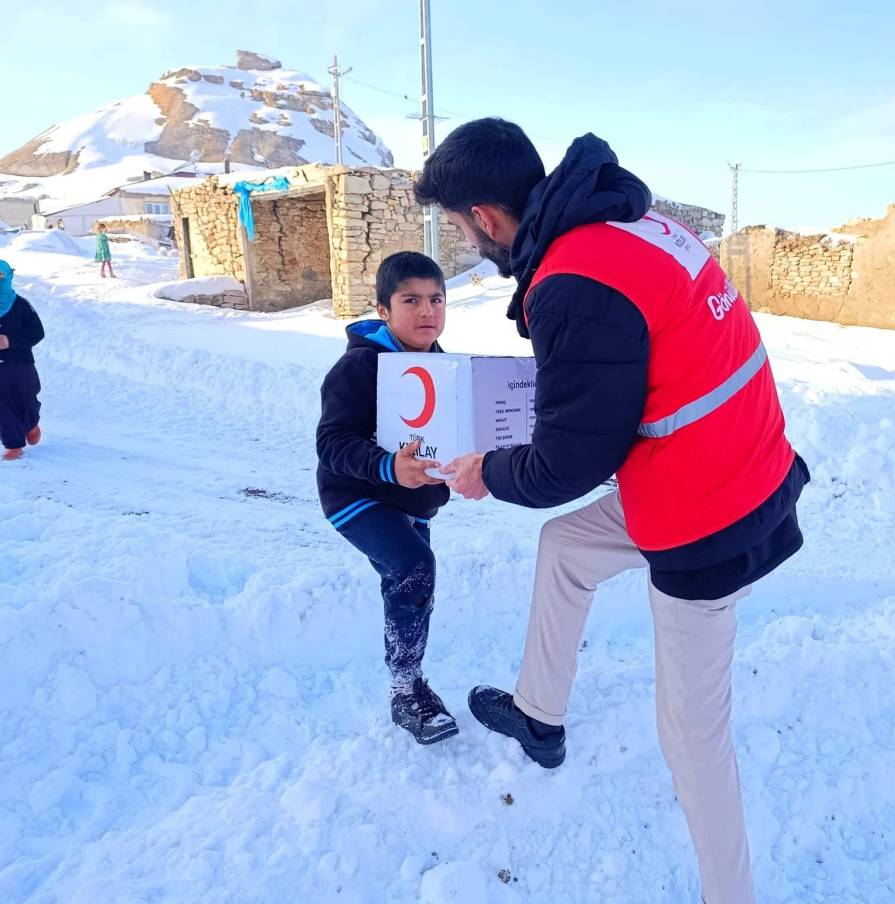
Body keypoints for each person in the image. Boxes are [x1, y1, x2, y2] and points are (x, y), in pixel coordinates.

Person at [422, 119, 809, 904]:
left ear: (487, 217)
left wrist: (488, 472)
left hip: (713, 518)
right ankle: (540, 716)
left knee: (692, 739)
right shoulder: (629, 226)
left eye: (460, 227)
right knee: (568, 549)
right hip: (722, 463)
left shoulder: (574, 280)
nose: (466, 240)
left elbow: (569, 463)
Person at [315, 251, 457, 744]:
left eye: (436, 299)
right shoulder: (359, 366)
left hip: (412, 498)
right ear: (383, 309)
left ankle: (411, 679)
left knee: (416, 584)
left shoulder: (444, 365)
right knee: (414, 567)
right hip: (354, 494)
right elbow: (331, 442)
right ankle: (404, 691)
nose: (427, 311)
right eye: (410, 300)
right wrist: (387, 466)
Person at [0, 260, 45, 462]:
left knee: (26, 399)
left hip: (21, 365)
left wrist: (11, 341)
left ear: (9, 276)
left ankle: (30, 425)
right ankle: (13, 444)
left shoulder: (22, 305)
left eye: (0, 276)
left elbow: (37, 333)